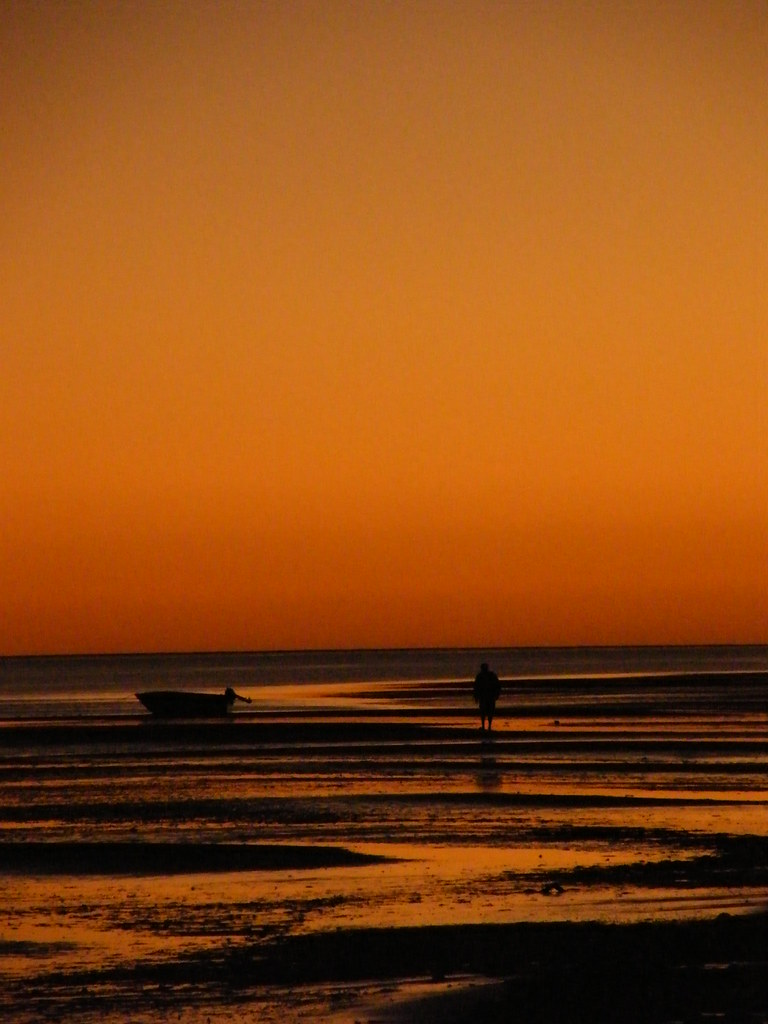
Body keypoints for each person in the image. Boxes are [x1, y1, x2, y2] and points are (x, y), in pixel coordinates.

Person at [473, 662, 501, 733]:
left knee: (487, 712)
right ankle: (486, 726)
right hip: (486, 697)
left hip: (488, 696)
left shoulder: (485, 676)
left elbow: (497, 685)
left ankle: (487, 726)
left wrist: (497, 694)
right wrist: (476, 696)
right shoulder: (482, 676)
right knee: (486, 711)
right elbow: (476, 687)